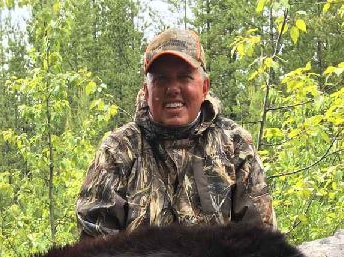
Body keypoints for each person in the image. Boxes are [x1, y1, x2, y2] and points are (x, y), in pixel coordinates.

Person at [76, 28, 277, 240]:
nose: (172, 88)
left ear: (204, 87)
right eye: (161, 79)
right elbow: (95, 244)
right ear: (146, 90)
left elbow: (261, 238)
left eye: (184, 77)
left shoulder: (234, 145)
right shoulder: (118, 150)